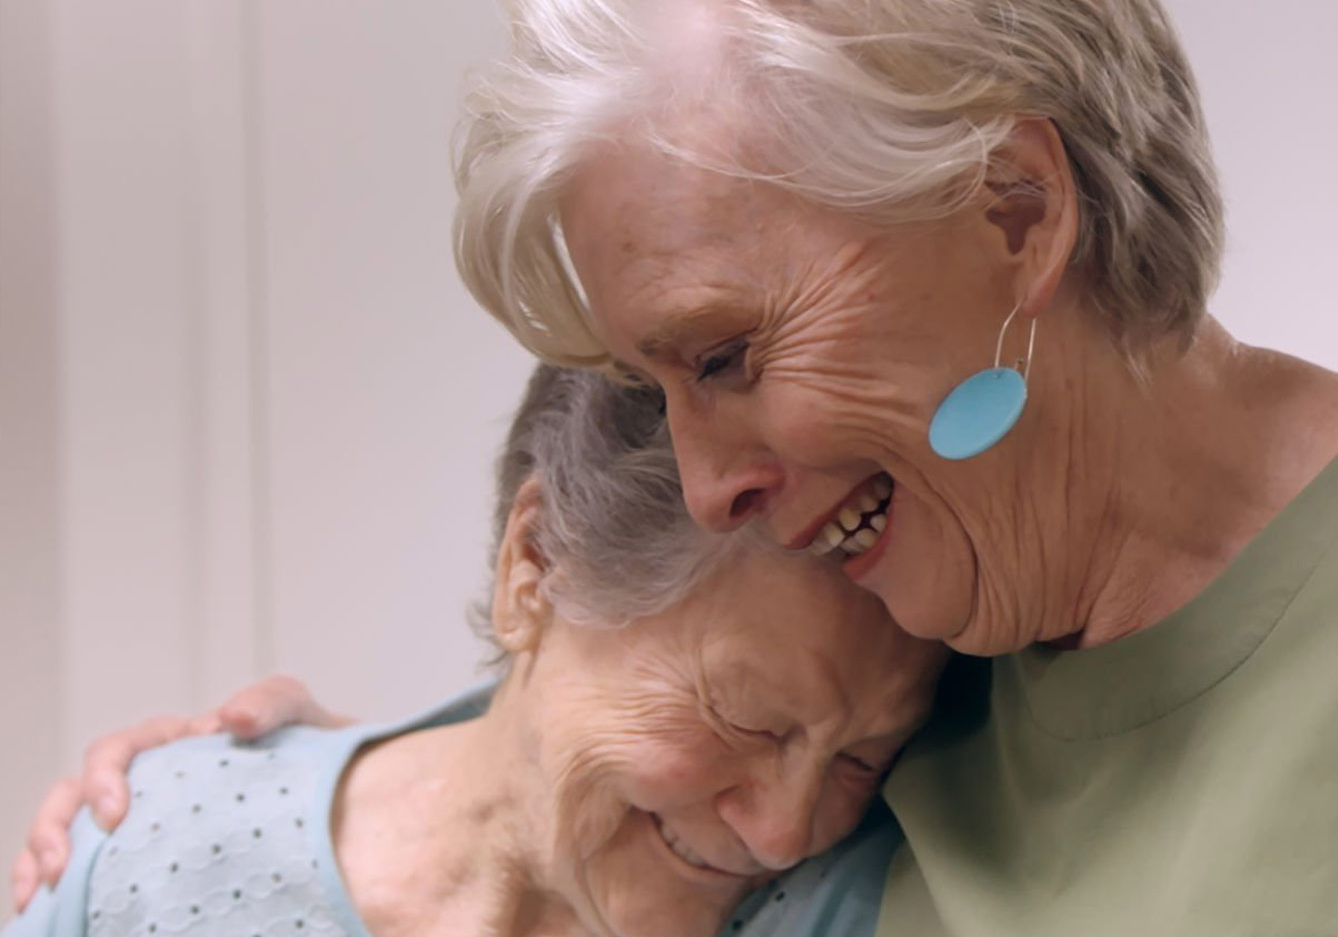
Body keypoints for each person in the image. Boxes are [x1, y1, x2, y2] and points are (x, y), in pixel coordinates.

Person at [18, 0, 1338, 932]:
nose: (709, 486)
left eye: (726, 355)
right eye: (660, 383)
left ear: (1014, 212)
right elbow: (586, 716)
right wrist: (203, 811)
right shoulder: (930, 621)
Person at [3, 364, 948, 937]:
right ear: (534, 566)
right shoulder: (171, 849)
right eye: (745, 716)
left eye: (861, 757)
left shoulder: (857, 905)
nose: (783, 831)